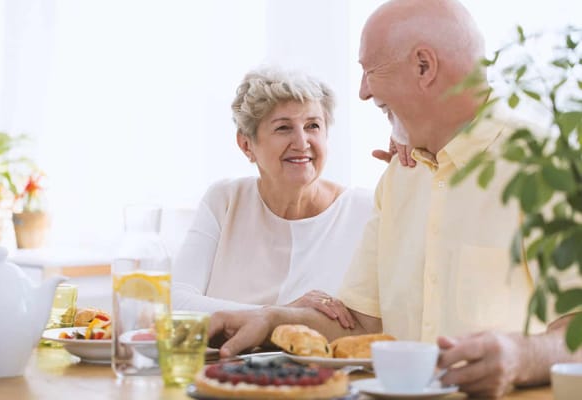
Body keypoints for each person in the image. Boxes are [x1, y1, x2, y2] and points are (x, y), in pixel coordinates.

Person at [207, 0, 582, 398]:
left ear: (424, 67)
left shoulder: (544, 167)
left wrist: (521, 357)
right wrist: (271, 320)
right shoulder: (399, 178)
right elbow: (364, 325)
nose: (363, 91)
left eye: (370, 70)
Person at [171, 66, 373, 329]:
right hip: (223, 366)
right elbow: (175, 303)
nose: (302, 142)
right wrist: (280, 314)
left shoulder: (365, 210)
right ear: (246, 145)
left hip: (325, 369)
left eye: (313, 126)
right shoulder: (225, 200)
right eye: (283, 128)